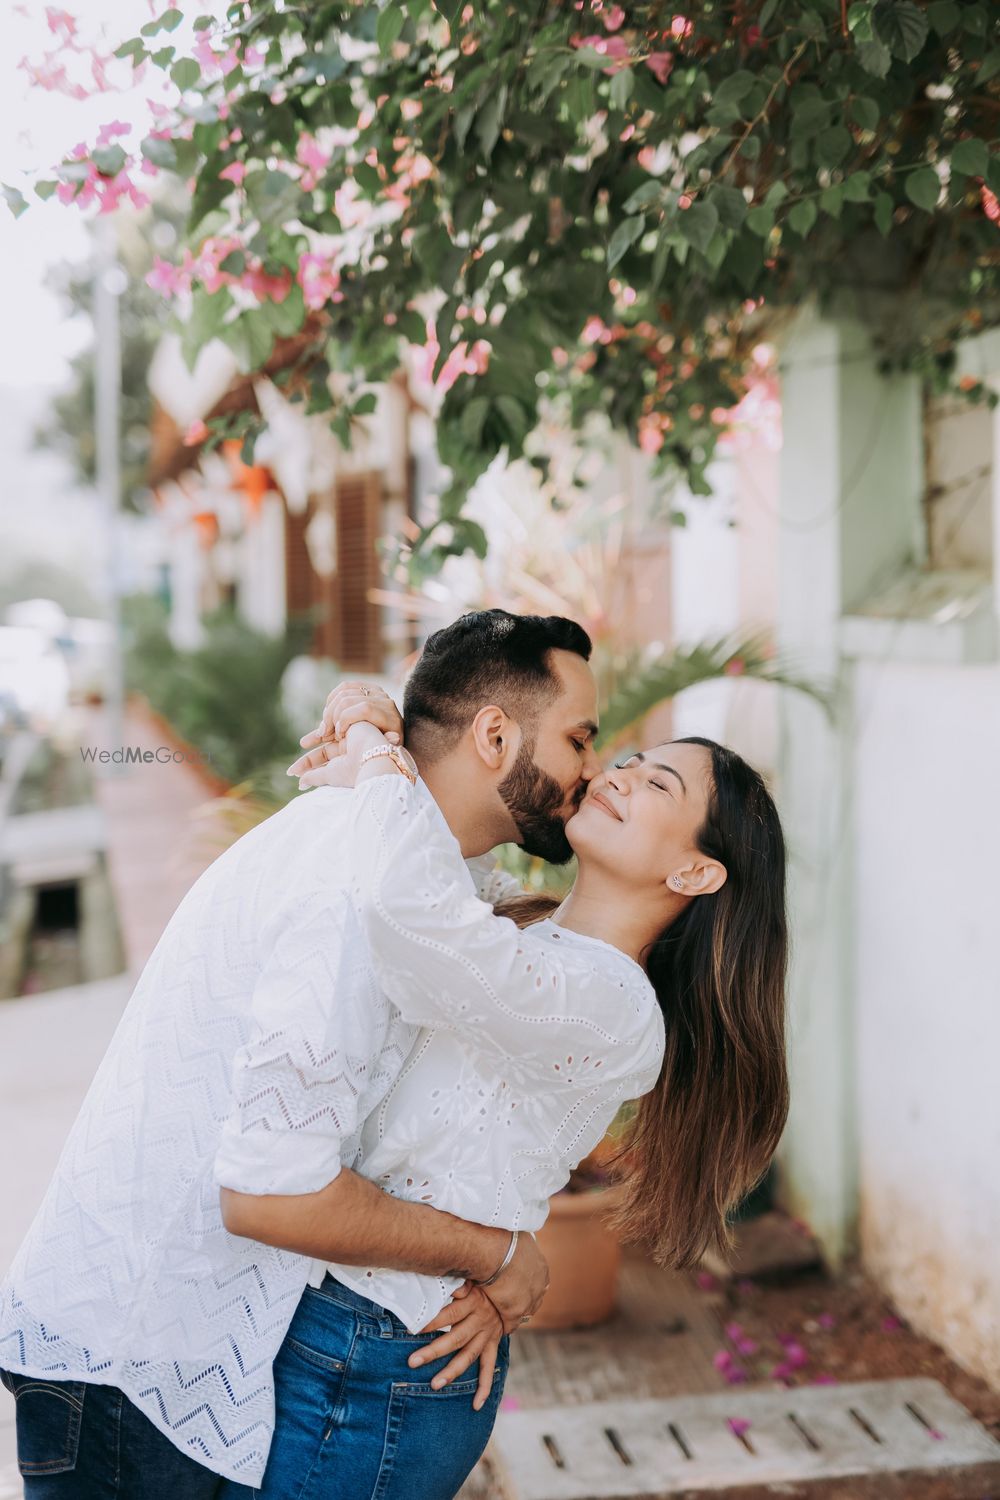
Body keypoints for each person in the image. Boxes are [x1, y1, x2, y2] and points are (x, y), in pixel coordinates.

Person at [0, 612, 602, 1494]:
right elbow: (271, 1194)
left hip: (180, 1357)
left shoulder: (411, 866)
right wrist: (498, 1252)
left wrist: (366, 717)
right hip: (137, 1365)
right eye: (581, 737)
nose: (593, 767)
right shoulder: (358, 884)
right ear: (496, 734)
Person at [213, 685, 789, 1498]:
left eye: (660, 785)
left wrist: (384, 758)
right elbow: (424, 859)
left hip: (389, 1361)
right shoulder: (517, 928)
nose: (621, 773)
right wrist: (364, 716)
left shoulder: (615, 1010)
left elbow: (407, 907)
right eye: (629, 761)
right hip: (340, 1330)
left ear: (696, 871)